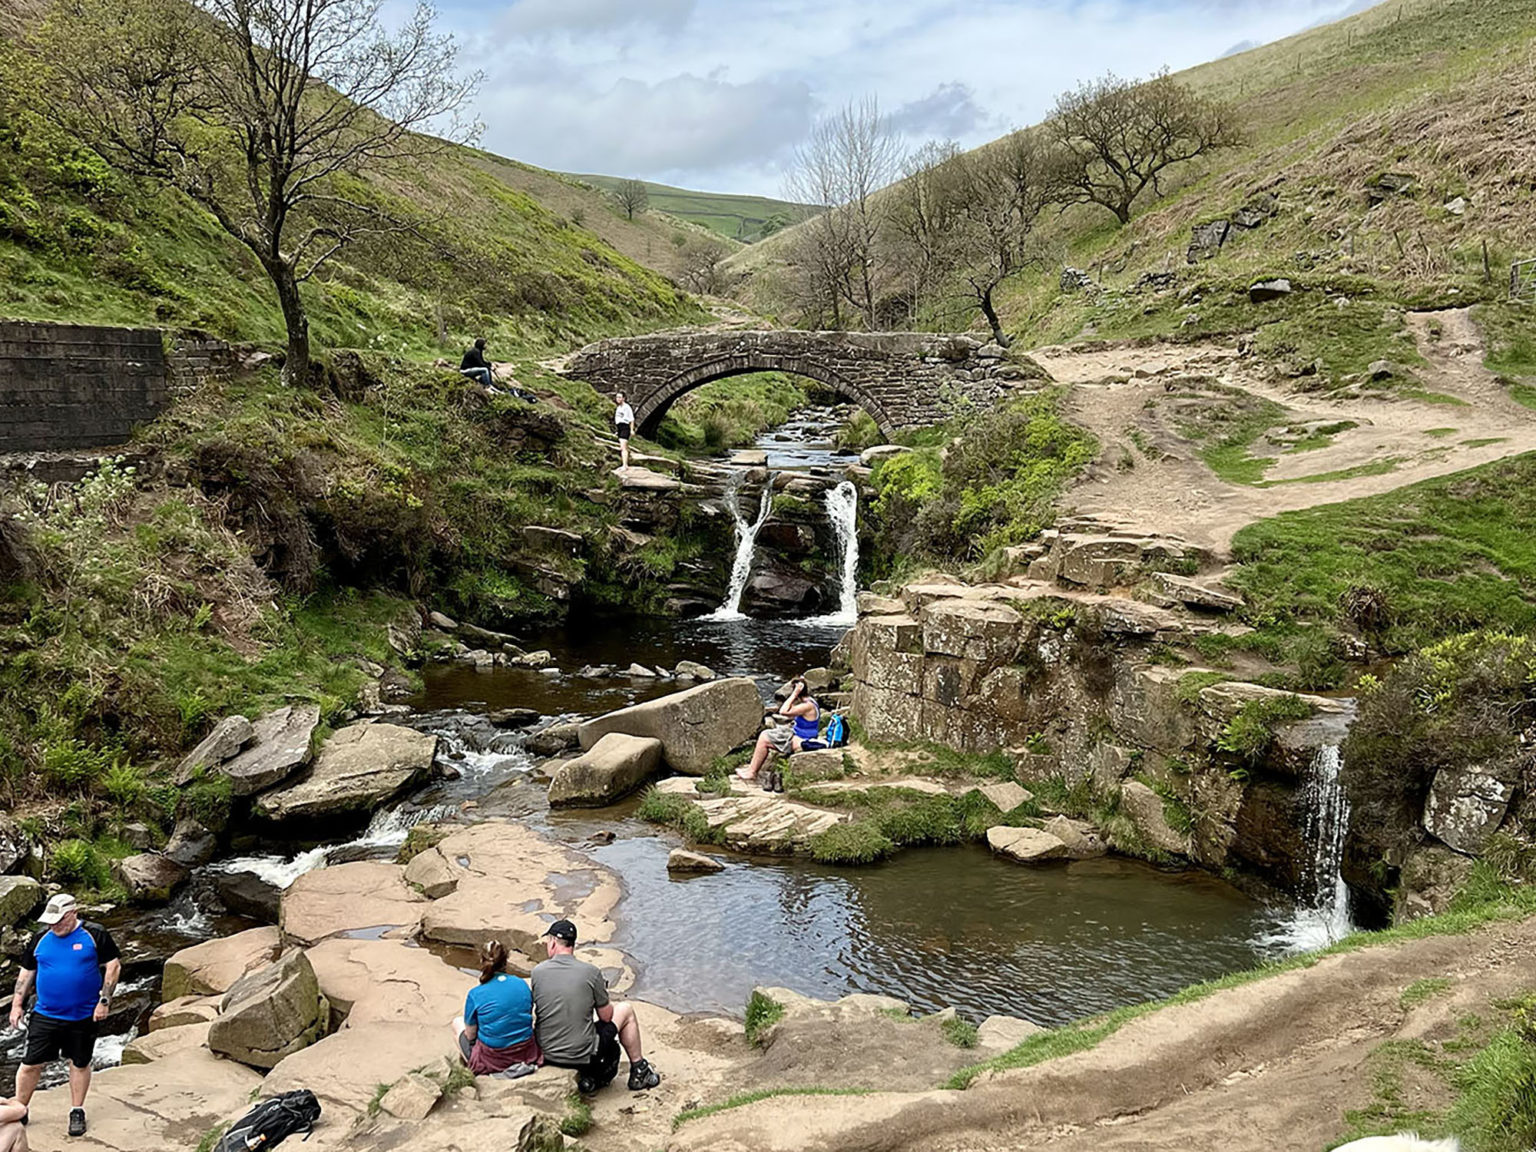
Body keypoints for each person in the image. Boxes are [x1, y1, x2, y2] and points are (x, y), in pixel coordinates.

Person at [10, 894, 121, 1139]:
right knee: (30, 1064)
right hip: (45, 1013)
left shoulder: (95, 934)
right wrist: (17, 1004)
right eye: (50, 921)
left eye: (59, 920)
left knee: (79, 1062)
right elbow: (26, 972)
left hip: (83, 1015)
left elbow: (113, 966)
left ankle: (77, 1110)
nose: (54, 926)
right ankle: (20, 1108)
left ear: (73, 913)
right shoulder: (40, 938)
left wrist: (104, 1001)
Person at [530, 920, 659, 1094]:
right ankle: (639, 1069)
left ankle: (591, 1078)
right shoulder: (590, 972)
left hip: (547, 1052)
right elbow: (606, 1017)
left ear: (553, 942)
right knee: (625, 1010)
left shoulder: (537, 972)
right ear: (572, 944)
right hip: (581, 1053)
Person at [455, 940, 542, 1077]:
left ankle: (476, 1066)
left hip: (494, 1058)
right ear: (506, 960)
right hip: (525, 1052)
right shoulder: (522, 984)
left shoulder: (475, 993)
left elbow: (470, 1035)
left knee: (457, 1023)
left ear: (481, 960)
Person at [737, 677, 819, 790]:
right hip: (799, 734)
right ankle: (751, 768)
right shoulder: (809, 701)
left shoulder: (807, 706)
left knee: (764, 737)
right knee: (771, 733)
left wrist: (794, 694)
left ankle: (752, 772)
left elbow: (783, 711)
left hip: (802, 739)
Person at [613, 392, 634, 470]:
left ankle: (625, 465)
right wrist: (617, 430)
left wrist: (631, 430)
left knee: (623, 447)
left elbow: (631, 419)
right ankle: (624, 464)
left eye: (619, 397)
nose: (618, 399)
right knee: (623, 447)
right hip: (620, 428)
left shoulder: (627, 407)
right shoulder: (619, 408)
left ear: (623, 398)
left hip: (625, 427)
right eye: (617, 397)